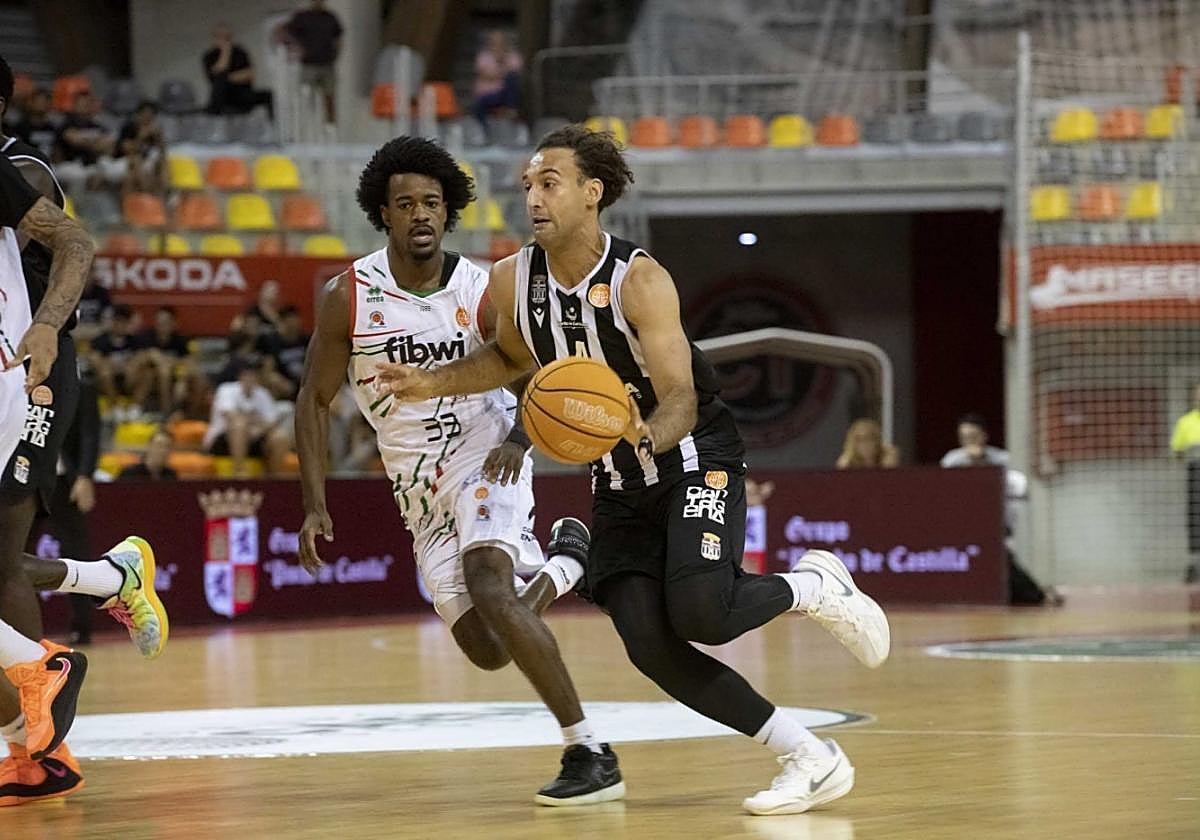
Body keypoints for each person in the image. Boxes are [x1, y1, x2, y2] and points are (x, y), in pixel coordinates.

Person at [374, 125, 891, 815]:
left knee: (704, 611)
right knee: (648, 642)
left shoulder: (639, 280)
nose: (533, 194)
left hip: (692, 458)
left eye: (549, 182)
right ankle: (809, 755)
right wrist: (429, 383)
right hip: (616, 482)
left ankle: (812, 586)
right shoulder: (510, 279)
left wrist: (650, 432)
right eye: (528, 183)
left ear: (592, 194)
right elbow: (506, 361)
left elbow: (678, 393)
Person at [295, 136, 624, 806]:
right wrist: (314, 502)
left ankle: (588, 748)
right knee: (487, 646)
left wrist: (519, 436)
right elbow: (313, 399)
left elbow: (539, 368)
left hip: (486, 450)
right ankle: (566, 565)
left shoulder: (481, 289)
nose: (421, 214)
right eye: (406, 203)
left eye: (433, 203)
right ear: (382, 214)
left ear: (449, 214)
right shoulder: (349, 297)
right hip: (417, 485)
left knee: (490, 585)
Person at [0, 152, 167, 807]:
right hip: (20, 368)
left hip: (35, 370)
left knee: (3, 565)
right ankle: (109, 579)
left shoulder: (24, 173)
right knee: (1, 563)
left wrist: (45, 329)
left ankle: (36, 738)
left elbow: (73, 247)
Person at [939, 412, 1056, 605]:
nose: (969, 442)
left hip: (996, 526)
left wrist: (981, 463)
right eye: (964, 438)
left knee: (1003, 563)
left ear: (984, 436)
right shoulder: (952, 460)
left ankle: (1036, 596)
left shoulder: (1002, 459)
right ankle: (1038, 595)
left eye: (973, 437)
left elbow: (1017, 485)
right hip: (962, 527)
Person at [203, 362, 289, 477]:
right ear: (240, 377)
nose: (250, 379)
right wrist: (254, 424)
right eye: (247, 375)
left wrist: (259, 430)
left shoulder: (262, 393)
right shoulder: (226, 389)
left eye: (253, 376)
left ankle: (272, 477)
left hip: (255, 437)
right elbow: (231, 415)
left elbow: (272, 421)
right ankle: (239, 471)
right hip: (223, 440)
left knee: (280, 436)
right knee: (239, 425)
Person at [283, 0, 343, 123]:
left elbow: (338, 36)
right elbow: (286, 32)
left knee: (329, 96)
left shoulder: (330, 17)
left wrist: (336, 53)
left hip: (327, 63)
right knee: (306, 96)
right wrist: (295, 49)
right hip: (308, 63)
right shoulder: (302, 17)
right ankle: (307, 123)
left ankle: (331, 126)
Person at [202, 23, 274, 118]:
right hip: (222, 96)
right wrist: (225, 52)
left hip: (242, 93)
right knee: (219, 85)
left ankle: (274, 124)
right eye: (221, 37)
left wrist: (225, 78)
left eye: (227, 37)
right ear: (215, 38)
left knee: (268, 95)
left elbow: (249, 74)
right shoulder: (209, 56)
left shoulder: (240, 52)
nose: (225, 40)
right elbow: (217, 75)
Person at [52, 91, 115, 193]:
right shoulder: (66, 123)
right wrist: (95, 142)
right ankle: (75, 207)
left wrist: (86, 142)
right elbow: (74, 140)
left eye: (88, 103)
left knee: (103, 171)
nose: (85, 106)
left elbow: (109, 143)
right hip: (68, 164)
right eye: (82, 103)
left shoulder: (95, 125)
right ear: (75, 105)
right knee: (80, 175)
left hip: (90, 164)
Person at [1169, 383, 1200, 583]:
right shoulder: (1185, 422)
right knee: (1196, 516)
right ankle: (1196, 564)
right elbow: (1177, 450)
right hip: (1196, 474)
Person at [135, 306, 190, 413]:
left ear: (173, 323)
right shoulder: (147, 337)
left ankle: (187, 415)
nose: (161, 325)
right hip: (146, 375)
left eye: (165, 322)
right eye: (159, 322)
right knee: (158, 372)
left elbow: (188, 362)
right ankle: (162, 410)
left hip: (172, 375)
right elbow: (148, 358)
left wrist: (182, 380)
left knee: (195, 379)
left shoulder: (180, 340)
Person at [112, 100, 166, 197]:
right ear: (138, 114)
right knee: (135, 166)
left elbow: (162, 152)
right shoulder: (129, 127)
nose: (147, 118)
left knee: (160, 164)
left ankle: (159, 200)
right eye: (145, 115)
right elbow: (127, 149)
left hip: (143, 161)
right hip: (122, 160)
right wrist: (141, 136)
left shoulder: (152, 130)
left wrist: (159, 138)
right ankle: (147, 197)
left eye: (151, 116)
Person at [473, 30, 522, 132]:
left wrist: (502, 61)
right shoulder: (483, 57)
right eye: (494, 42)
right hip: (488, 94)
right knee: (478, 105)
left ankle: (511, 108)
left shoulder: (513, 56)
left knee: (511, 78)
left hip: (504, 93)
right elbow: (484, 74)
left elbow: (515, 73)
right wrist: (501, 71)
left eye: (500, 42)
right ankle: (485, 131)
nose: (498, 45)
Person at [8, 88, 55, 161]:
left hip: (50, 163)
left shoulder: (52, 127)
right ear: (31, 103)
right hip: (27, 163)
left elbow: (57, 151)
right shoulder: (20, 127)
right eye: (39, 102)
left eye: (45, 102)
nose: (42, 105)